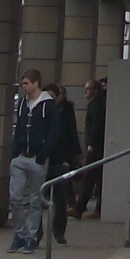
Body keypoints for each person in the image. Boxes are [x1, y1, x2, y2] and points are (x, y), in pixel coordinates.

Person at [7, 70, 58, 254]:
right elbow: (19, 128)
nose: (24, 87)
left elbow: (54, 132)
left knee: (35, 200)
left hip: (37, 158)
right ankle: (20, 233)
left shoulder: (48, 106)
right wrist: (15, 152)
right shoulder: (22, 104)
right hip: (21, 156)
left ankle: (30, 237)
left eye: (27, 83)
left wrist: (43, 154)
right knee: (15, 197)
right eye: (23, 84)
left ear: (36, 83)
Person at [45, 83, 82, 245]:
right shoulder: (41, 111)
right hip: (43, 159)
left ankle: (59, 231)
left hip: (60, 160)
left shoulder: (66, 112)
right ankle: (36, 234)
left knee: (60, 201)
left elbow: (72, 135)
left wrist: (72, 158)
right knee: (36, 199)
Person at [73, 77, 107, 218]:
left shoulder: (96, 105)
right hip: (96, 146)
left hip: (95, 148)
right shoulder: (96, 104)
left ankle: (79, 208)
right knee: (97, 178)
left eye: (88, 89)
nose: (85, 92)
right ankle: (96, 208)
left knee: (88, 176)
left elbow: (96, 127)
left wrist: (91, 144)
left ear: (96, 90)